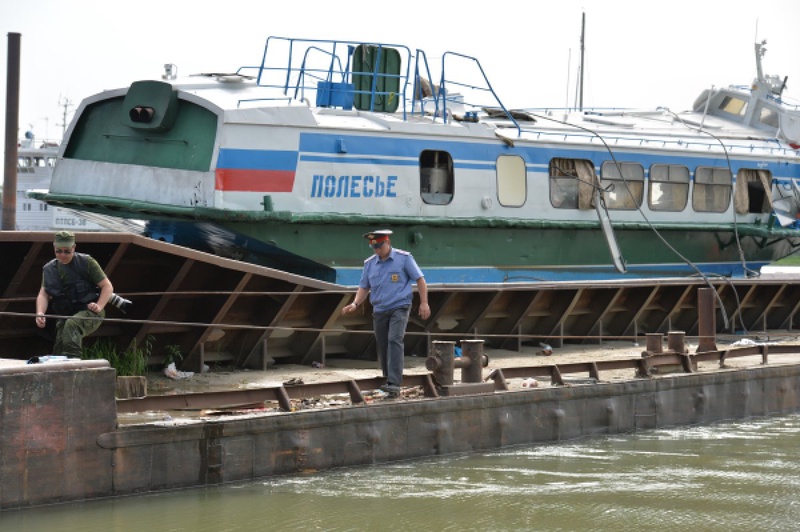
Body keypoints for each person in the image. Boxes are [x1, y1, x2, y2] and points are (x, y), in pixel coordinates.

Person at [341, 229, 430, 396]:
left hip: (399, 306)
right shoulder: (369, 264)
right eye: (373, 247)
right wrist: (355, 303)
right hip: (380, 309)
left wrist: (424, 303)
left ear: (388, 243)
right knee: (383, 344)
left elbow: (420, 279)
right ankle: (388, 381)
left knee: (394, 339)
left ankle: (395, 382)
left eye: (380, 246)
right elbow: (364, 286)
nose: (376, 250)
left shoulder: (404, 258)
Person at [35, 231, 114, 357]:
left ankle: (74, 362)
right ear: (54, 247)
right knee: (60, 347)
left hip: (89, 311)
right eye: (58, 251)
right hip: (65, 313)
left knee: (72, 324)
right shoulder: (49, 269)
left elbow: (107, 286)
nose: (62, 255)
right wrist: (40, 313)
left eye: (67, 251)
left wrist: (99, 306)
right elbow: (43, 294)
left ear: (74, 248)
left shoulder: (87, 262)